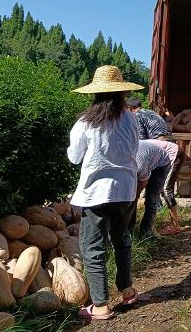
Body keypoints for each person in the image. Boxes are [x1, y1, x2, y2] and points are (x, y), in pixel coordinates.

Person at [67, 65, 143, 320]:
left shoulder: (86, 122)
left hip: (96, 193)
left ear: (95, 94)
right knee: (121, 240)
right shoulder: (132, 118)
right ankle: (127, 290)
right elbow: (135, 150)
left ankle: (100, 305)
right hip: (126, 191)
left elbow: (75, 157)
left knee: (93, 247)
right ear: (122, 92)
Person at [125, 98, 184, 235]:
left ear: (129, 108)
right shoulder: (151, 113)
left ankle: (175, 224)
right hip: (163, 145)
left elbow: (140, 142)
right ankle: (148, 227)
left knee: (165, 189)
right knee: (153, 193)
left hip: (167, 150)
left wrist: (135, 195)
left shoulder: (136, 116)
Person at [130, 140, 172, 237]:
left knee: (151, 199)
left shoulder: (139, 167)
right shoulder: (121, 160)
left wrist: (135, 197)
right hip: (148, 157)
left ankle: (146, 231)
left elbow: (143, 182)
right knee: (130, 200)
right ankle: (129, 231)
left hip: (161, 164)